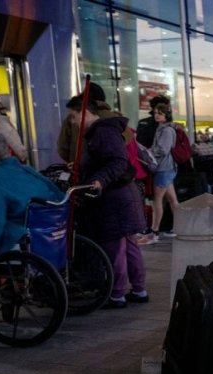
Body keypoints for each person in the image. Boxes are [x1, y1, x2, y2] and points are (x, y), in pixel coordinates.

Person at [65, 96, 148, 308]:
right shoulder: (103, 132)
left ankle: (117, 294)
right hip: (123, 196)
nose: (73, 122)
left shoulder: (102, 132)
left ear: (84, 113)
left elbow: (118, 161)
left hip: (114, 199)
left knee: (115, 247)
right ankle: (139, 290)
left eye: (73, 117)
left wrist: (99, 179)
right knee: (129, 245)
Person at [0, 133, 63, 278]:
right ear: (8, 150)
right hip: (48, 232)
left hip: (20, 235)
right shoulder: (28, 171)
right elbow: (58, 196)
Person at [57, 83, 134, 165]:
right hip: (108, 170)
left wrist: (75, 161)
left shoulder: (73, 117)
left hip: (80, 171)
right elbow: (127, 140)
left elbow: (62, 148)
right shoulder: (115, 118)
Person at [138, 103, 179, 245]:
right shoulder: (164, 128)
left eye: (160, 113)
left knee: (157, 200)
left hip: (163, 168)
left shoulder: (166, 130)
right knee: (172, 200)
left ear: (166, 115)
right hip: (167, 167)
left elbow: (162, 150)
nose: (156, 115)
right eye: (155, 112)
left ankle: (154, 232)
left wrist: (148, 152)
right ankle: (180, 228)